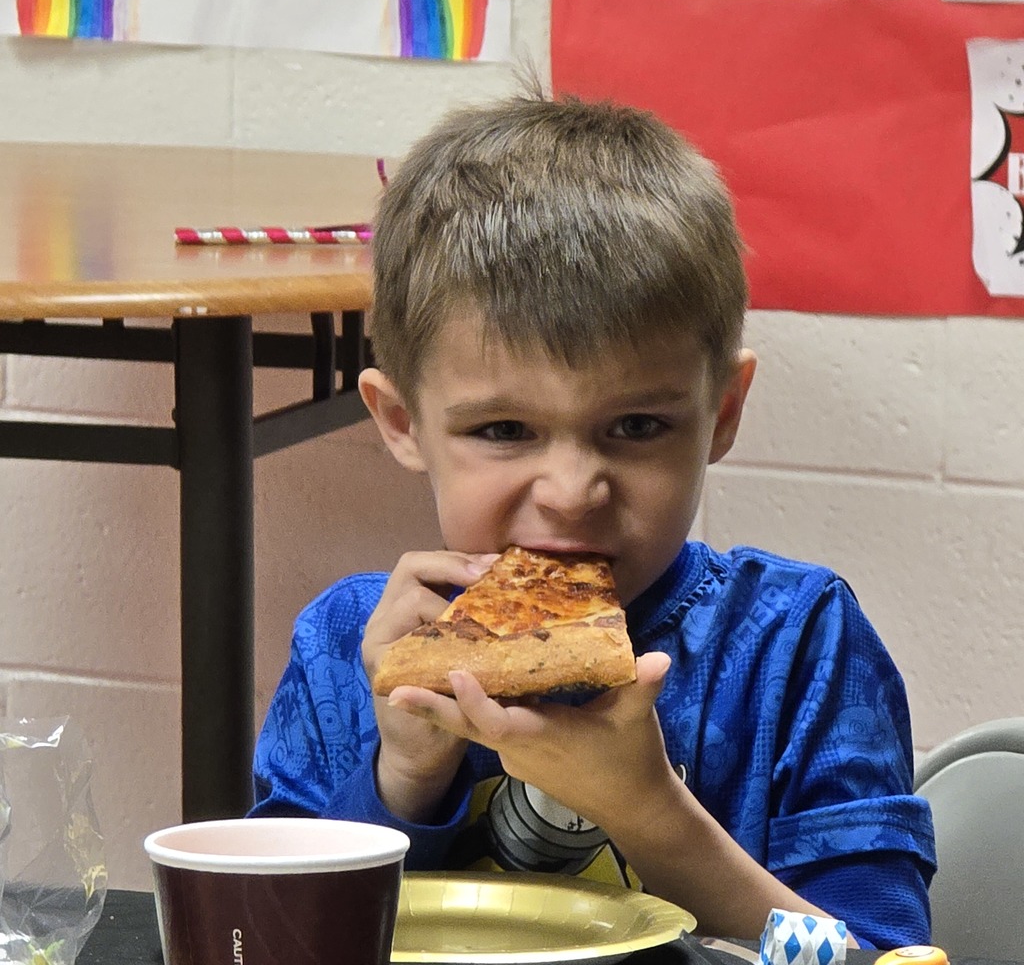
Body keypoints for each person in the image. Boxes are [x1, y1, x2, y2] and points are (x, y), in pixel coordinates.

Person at [250, 92, 935, 949]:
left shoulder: (798, 645)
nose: (573, 490)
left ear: (721, 413)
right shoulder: (345, 648)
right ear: (401, 423)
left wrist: (648, 812)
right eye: (504, 431)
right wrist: (401, 776)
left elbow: (886, 953)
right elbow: (265, 939)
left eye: (637, 427)